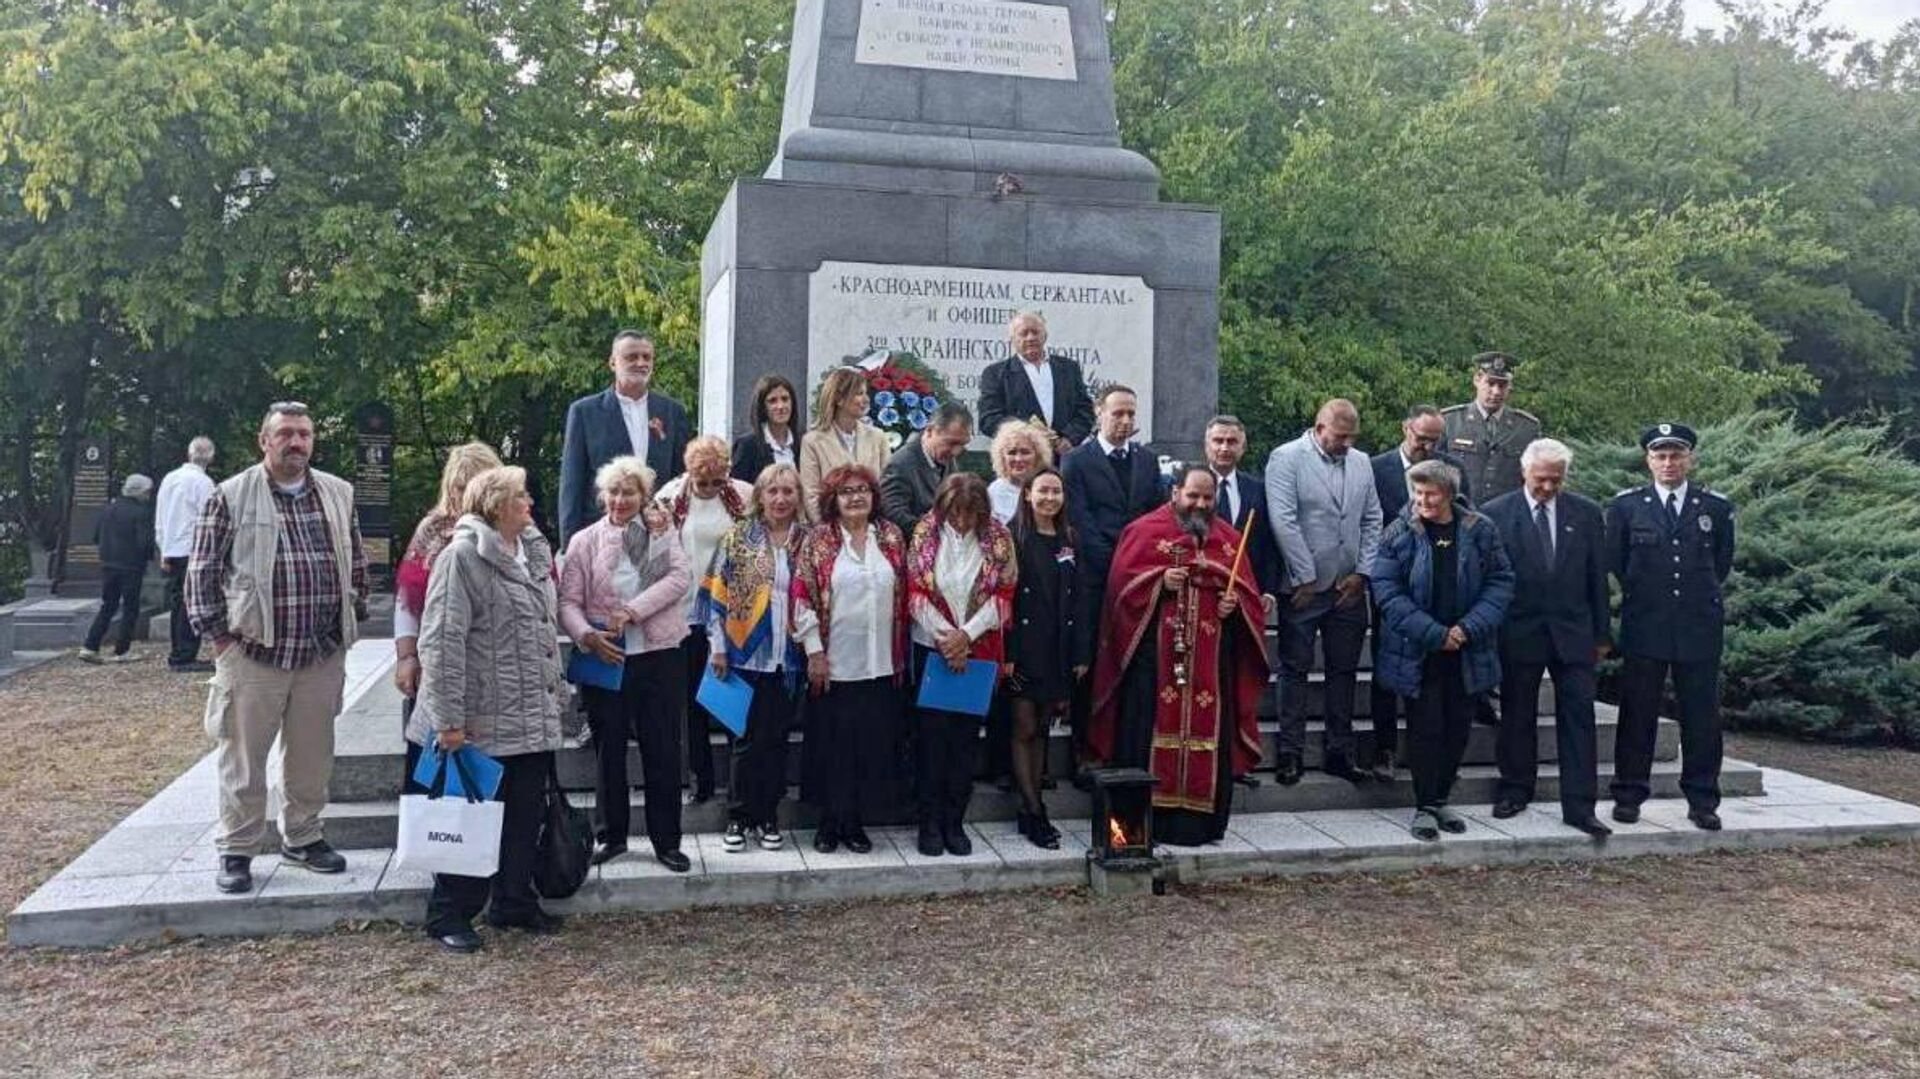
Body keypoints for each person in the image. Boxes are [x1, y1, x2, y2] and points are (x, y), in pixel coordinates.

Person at [188, 402, 367, 894]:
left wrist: (350, 613)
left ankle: (303, 837)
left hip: (320, 652)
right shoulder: (231, 495)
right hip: (254, 652)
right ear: (264, 441)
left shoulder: (338, 492)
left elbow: (355, 561)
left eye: (304, 434)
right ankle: (238, 848)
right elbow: (202, 572)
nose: (296, 442)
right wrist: (221, 639)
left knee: (312, 755)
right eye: (285, 433)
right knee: (244, 759)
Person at [408, 466, 567, 951]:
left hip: (530, 714)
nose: (530, 503)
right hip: (480, 718)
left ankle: (513, 901)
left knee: (524, 816)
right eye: (521, 496)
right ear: (497, 505)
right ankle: (449, 914)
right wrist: (448, 721)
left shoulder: (532, 552)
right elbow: (441, 641)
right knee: (472, 818)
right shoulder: (461, 557)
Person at [1088, 468, 1269, 846]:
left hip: (1210, 661)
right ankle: (1133, 830)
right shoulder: (1143, 531)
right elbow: (1119, 594)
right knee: (1143, 737)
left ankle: (1196, 828)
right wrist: (1158, 582)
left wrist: (1233, 605)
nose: (1200, 504)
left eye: (1207, 498)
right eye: (1193, 496)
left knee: (1208, 731)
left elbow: (1248, 599)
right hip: (1153, 663)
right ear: (1175, 493)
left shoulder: (1230, 540)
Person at [557, 456, 693, 871]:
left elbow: (678, 579)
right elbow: (568, 601)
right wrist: (586, 636)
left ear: (643, 495)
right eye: (613, 492)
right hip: (606, 657)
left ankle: (666, 841)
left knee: (662, 750)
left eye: (629, 492)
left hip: (658, 654)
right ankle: (611, 836)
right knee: (608, 751)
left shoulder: (659, 532)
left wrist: (633, 611)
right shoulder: (584, 541)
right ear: (602, 496)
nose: (620, 500)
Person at [1371, 460, 1514, 841]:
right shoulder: (1398, 532)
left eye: (1430, 494)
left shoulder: (1480, 530)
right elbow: (1387, 592)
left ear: (1449, 494)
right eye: (1417, 493)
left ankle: (1440, 799)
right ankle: (1424, 805)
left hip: (1468, 650)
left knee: (1457, 729)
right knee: (1426, 729)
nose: (1422, 501)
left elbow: (1501, 582)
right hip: (1420, 652)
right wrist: (1435, 634)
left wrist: (1468, 629)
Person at [1482, 439, 1611, 837]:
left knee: (1579, 718)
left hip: (1574, 632)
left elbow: (1597, 577)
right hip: (1518, 630)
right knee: (1517, 714)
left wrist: (1602, 633)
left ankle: (1580, 806)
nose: (1549, 487)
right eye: (1541, 479)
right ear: (1524, 472)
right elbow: (1489, 579)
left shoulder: (1586, 513)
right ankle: (1515, 789)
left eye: (1557, 479)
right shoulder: (1496, 514)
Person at [1608, 423, 1735, 831]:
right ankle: (1629, 795)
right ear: (1648, 461)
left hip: (1698, 625)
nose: (1668, 463)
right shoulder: (1628, 506)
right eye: (1660, 456)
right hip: (1646, 623)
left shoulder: (1714, 507)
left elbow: (1721, 563)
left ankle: (1702, 800)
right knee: (1637, 713)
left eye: (1676, 455)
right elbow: (1618, 562)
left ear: (1689, 459)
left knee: (1701, 716)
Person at [1265, 399, 1383, 785]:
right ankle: (1290, 752)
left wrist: (1363, 572)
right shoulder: (1286, 458)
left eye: (1353, 437)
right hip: (1304, 587)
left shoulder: (1361, 462)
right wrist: (1305, 576)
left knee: (1344, 671)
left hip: (1348, 588)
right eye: (1340, 436)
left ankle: (1339, 751)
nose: (1347, 444)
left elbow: (1372, 518)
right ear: (1319, 428)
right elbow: (1283, 519)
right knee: (1295, 669)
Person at [792, 463, 908, 855]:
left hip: (880, 663)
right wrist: (815, 652)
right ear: (833, 500)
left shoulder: (890, 537)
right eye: (846, 491)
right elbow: (801, 596)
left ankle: (854, 821)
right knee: (833, 747)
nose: (856, 497)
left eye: (863, 490)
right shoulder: (819, 540)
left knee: (868, 746)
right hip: (835, 663)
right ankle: (829, 823)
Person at [905, 473, 1016, 857]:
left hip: (976, 650)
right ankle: (929, 822)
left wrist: (965, 636)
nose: (963, 522)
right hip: (932, 648)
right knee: (931, 741)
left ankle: (955, 821)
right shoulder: (925, 533)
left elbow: (1003, 594)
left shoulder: (998, 537)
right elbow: (914, 592)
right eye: (955, 513)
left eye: (971, 514)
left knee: (964, 742)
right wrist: (947, 638)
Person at [703, 462, 810, 852]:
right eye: (772, 491)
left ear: (798, 497)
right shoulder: (738, 537)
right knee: (744, 740)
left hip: (790, 658)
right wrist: (718, 647)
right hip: (744, 654)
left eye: (788, 491)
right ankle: (738, 816)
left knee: (776, 740)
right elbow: (716, 595)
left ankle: (768, 816)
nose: (780, 499)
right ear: (760, 496)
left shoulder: (809, 541)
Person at [1367, 405, 1473, 779]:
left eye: (1434, 440)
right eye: (1421, 437)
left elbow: (1467, 521)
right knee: (1387, 667)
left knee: (1433, 677)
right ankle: (1384, 748)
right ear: (1405, 429)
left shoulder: (1452, 469)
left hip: (1441, 586)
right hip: (1393, 581)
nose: (1427, 446)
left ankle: (1426, 754)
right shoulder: (1376, 468)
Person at [1060, 385, 1161, 778]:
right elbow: (1080, 522)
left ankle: (1127, 749)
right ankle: (1086, 753)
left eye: (1131, 414)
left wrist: (1139, 566)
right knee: (1090, 666)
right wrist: (1120, 564)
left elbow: (1154, 519)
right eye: (1118, 413)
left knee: (1133, 666)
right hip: (1095, 581)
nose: (1125, 421)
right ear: (1099, 412)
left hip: (1138, 585)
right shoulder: (1076, 461)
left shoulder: (1147, 462)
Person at [394, 442, 503, 793]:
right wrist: (407, 656)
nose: (466, 494)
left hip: (494, 669)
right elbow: (408, 600)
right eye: (460, 486)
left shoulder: (512, 529)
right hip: (441, 663)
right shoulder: (433, 529)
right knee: (432, 774)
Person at [655, 436, 754, 804]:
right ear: (689, 474)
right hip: (686, 610)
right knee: (692, 700)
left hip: (731, 609)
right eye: (703, 482)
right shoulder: (670, 497)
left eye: (717, 481)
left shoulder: (742, 494)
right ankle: (701, 779)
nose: (711, 488)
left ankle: (738, 783)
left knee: (730, 695)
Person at [1005, 467, 1092, 848]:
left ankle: (1033, 804)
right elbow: (1003, 598)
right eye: (1042, 491)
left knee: (1042, 728)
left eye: (1056, 492)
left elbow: (1081, 599)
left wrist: (1081, 652)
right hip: (1022, 649)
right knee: (1023, 727)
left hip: (1057, 648)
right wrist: (1007, 652)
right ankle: (1032, 809)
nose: (1050, 498)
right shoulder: (1011, 537)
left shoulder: (1069, 539)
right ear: (1027, 494)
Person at [558, 329, 693, 544]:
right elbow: (572, 482)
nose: (641, 363)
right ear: (613, 362)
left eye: (647, 357)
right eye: (631, 357)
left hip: (658, 536)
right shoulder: (585, 412)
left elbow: (681, 479)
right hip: (602, 536)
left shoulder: (672, 412)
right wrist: (569, 543)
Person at [975, 311, 1095, 452]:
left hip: (1063, 455)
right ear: (1012, 339)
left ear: (1045, 336)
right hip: (1020, 455)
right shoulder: (995, 374)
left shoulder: (1069, 368)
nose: (1030, 337)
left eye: (1035, 332)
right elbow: (989, 419)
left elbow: (1085, 410)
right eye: (1024, 333)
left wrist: (1070, 438)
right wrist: (1028, 432)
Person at [1441, 352, 1540, 505]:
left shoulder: (1527, 428)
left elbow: (1534, 478)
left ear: (1510, 386)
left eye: (1502, 385)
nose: (1496, 391)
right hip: (1461, 510)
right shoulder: (1450, 421)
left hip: (1506, 512)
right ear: (1477, 380)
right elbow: (1433, 471)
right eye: (1491, 383)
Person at [79, 474, 156, 664]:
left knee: (108, 605)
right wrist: (149, 558)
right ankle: (122, 650)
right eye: (147, 492)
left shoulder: (108, 509)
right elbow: (144, 542)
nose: (148, 495)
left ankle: (90, 646)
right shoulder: (141, 512)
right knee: (131, 607)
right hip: (131, 565)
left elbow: (96, 536)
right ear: (140, 492)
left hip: (108, 563)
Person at [155, 437, 216, 671]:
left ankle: (179, 651)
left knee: (179, 602)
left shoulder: (169, 479)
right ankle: (184, 655)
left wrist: (164, 549)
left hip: (173, 548)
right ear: (210, 457)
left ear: (189, 454)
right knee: (191, 602)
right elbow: (209, 519)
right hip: (193, 548)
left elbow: (161, 516)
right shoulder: (203, 483)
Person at [798, 366, 890, 523]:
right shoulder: (812, 441)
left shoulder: (877, 437)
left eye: (865, 393)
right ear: (839, 399)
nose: (866, 399)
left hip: (871, 527)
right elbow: (811, 495)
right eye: (859, 393)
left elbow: (887, 487)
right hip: (830, 528)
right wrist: (827, 531)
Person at [881, 401, 973, 533]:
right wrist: (932, 535)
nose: (956, 451)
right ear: (930, 431)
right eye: (951, 443)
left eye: (963, 444)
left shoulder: (946, 458)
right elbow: (893, 514)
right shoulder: (901, 464)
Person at [730, 374, 800, 483]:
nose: (780, 406)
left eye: (785, 399)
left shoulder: (803, 444)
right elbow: (736, 488)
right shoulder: (747, 446)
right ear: (762, 407)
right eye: (772, 401)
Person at [986, 418, 1054, 525]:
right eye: (1012, 453)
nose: (1018, 459)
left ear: (1038, 455)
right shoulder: (993, 493)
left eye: (1025, 452)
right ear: (1002, 457)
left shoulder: (1050, 486)